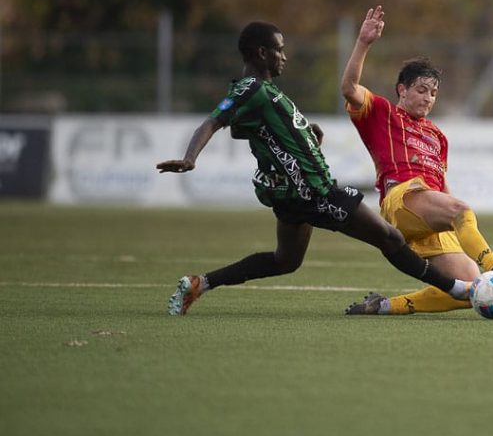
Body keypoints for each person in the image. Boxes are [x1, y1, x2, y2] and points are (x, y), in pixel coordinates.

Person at [156, 20, 473, 316]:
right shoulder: (250, 88)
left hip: (290, 193)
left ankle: (200, 284)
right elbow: (214, 121)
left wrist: (307, 137)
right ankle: (458, 289)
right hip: (313, 189)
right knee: (390, 238)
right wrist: (190, 157)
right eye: (279, 49)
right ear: (261, 53)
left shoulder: (267, 91)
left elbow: (245, 130)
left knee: (285, 261)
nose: (284, 56)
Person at [340, 5, 493, 315]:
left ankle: (383, 306)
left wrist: (456, 228)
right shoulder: (383, 113)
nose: (428, 98)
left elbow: (441, 186)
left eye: (433, 93)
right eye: (421, 90)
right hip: (403, 199)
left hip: (429, 211)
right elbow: (348, 88)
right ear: (402, 90)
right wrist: (363, 42)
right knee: (461, 210)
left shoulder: (437, 136)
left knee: (474, 290)